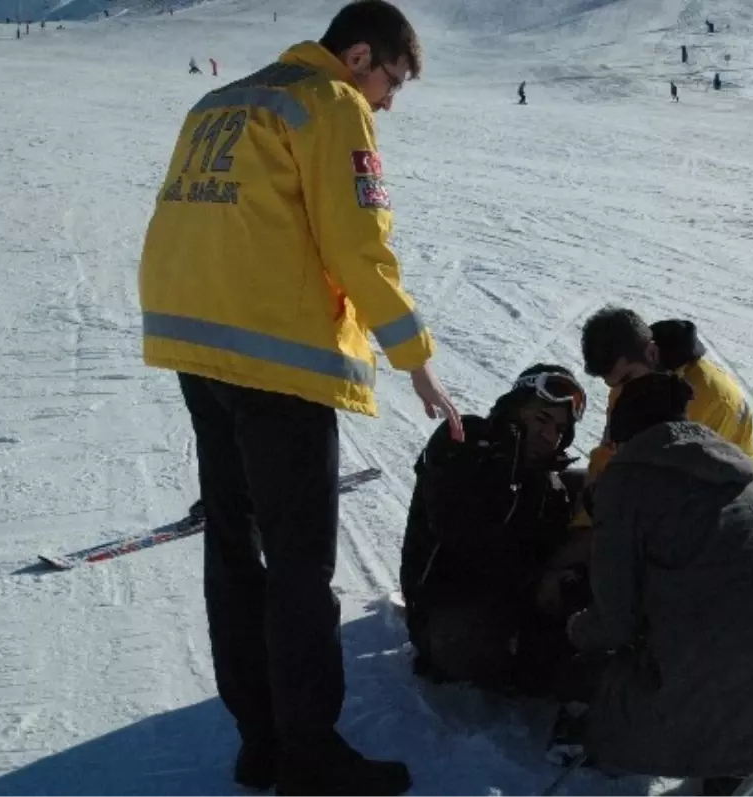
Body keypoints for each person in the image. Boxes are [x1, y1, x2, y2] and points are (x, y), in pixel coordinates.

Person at [136, 2, 462, 796]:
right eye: (391, 82)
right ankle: (309, 754)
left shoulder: (224, 98)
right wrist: (414, 359)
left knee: (232, 545)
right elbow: (358, 242)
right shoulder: (330, 103)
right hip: (275, 357)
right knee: (298, 565)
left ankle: (260, 741)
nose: (388, 102)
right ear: (357, 56)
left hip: (196, 342)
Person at [562, 372, 753, 794]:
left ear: (623, 436)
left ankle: (731, 752)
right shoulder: (737, 469)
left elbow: (616, 621)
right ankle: (748, 754)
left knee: (608, 698)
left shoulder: (625, 483)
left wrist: (574, 629)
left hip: (742, 685)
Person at [400, 365, 592, 699]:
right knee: (483, 645)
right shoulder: (464, 442)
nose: (551, 436)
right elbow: (467, 541)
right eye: (542, 419)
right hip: (446, 611)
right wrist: (541, 578)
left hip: (506, 597)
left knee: (598, 486)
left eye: (560, 429)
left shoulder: (543, 477)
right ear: (516, 409)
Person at [571, 306, 753, 531]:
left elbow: (679, 487)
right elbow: (609, 453)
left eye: (626, 379)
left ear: (651, 353)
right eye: (614, 385)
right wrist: (583, 523)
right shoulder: (630, 385)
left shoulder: (710, 396)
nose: (621, 391)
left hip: (728, 506)